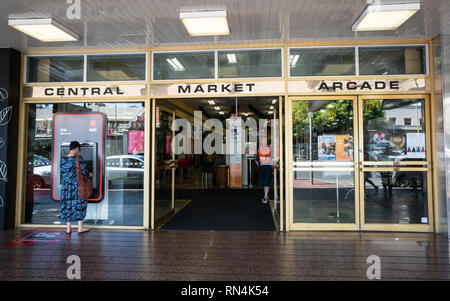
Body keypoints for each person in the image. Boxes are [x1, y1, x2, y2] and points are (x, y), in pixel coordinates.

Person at [60, 141, 92, 235]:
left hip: (66, 186)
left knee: (67, 205)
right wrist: (89, 174)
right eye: (79, 149)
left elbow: (63, 172)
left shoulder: (63, 159)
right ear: (77, 148)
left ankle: (68, 228)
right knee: (79, 204)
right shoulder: (78, 158)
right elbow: (84, 171)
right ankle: (80, 228)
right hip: (77, 185)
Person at [255, 138, 272, 204]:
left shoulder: (270, 148)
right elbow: (255, 155)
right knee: (263, 181)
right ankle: (266, 195)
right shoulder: (259, 148)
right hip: (262, 166)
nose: (264, 141)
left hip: (268, 166)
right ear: (261, 141)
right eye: (263, 140)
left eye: (265, 140)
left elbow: (273, 156)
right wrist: (256, 161)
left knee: (266, 181)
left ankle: (265, 197)